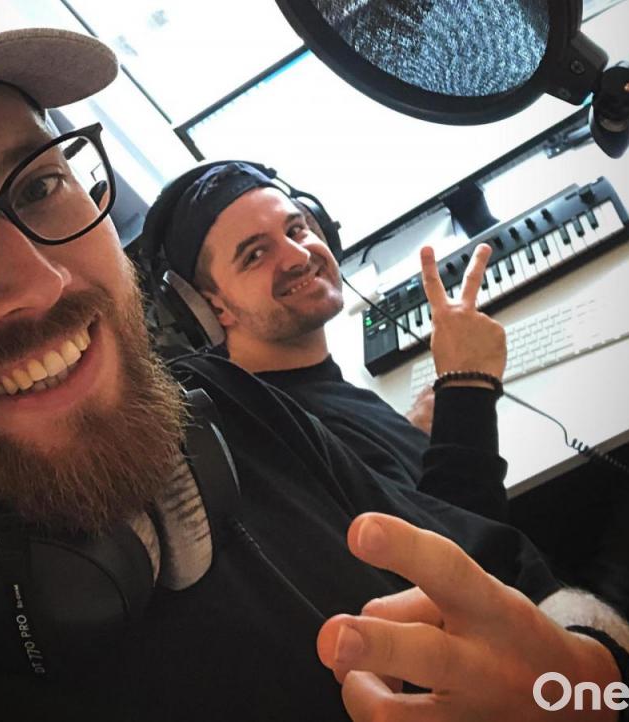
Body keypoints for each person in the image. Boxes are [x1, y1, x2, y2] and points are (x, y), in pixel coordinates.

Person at [0, 2, 629, 720]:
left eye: (39, 186)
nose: (41, 283)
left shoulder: (223, 405)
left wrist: (589, 680)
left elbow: (515, 584)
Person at [147, 162, 509, 521]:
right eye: (255, 254)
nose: (299, 255)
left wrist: (405, 440)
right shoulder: (287, 444)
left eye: (295, 229)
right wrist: (467, 387)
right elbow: (473, 545)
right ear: (211, 308)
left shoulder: (308, 390)